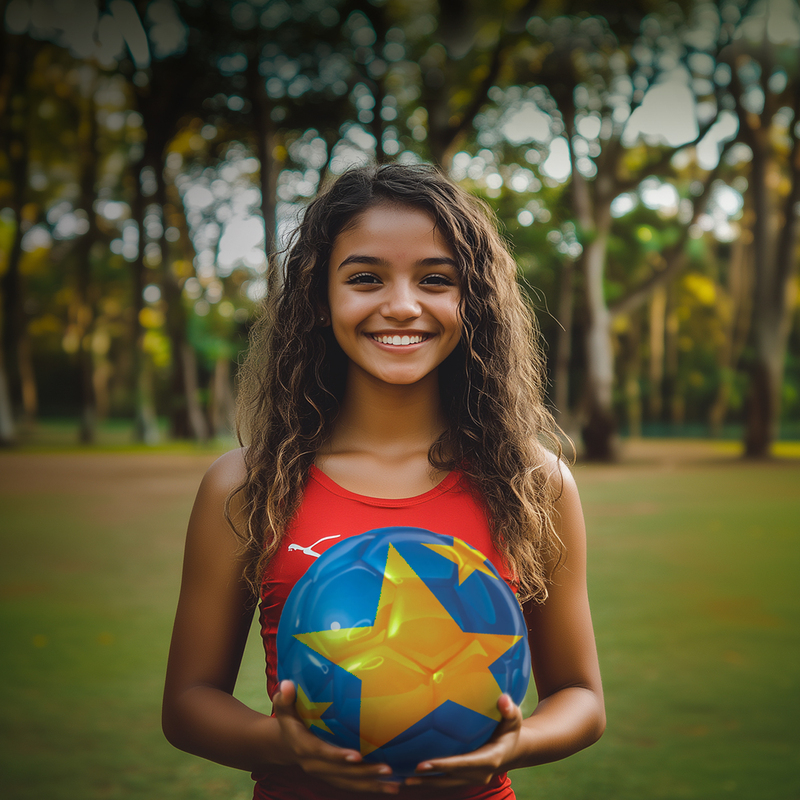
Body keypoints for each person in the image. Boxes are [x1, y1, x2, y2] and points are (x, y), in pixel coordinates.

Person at [162, 163, 605, 799]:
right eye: (366, 278)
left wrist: (520, 741)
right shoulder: (247, 484)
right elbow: (187, 703)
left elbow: (582, 698)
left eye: (435, 280)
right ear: (320, 298)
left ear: (471, 301)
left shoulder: (532, 482)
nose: (402, 305)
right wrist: (280, 743)